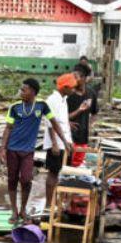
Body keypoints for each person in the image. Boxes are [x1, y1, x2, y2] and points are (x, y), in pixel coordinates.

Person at [0, 78, 68, 226]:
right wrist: (2, 149)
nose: (21, 92)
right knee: (12, 179)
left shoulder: (42, 106)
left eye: (24, 90)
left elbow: (54, 123)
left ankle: (23, 209)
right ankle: (14, 210)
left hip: (28, 151)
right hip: (12, 149)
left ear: (32, 91)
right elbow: (8, 128)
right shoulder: (15, 107)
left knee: (26, 179)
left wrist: (65, 141)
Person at [42, 74, 77, 210]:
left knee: (62, 173)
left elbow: (63, 122)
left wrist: (69, 139)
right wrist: (54, 143)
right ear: (65, 87)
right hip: (56, 142)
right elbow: (50, 123)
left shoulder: (64, 99)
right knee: (53, 172)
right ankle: (48, 204)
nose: (74, 90)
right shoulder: (52, 100)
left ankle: (58, 203)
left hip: (65, 141)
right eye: (72, 87)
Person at [66, 63, 99, 159]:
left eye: (76, 77)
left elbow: (95, 113)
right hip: (68, 136)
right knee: (67, 164)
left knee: (78, 165)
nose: (73, 80)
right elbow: (58, 116)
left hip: (83, 137)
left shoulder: (91, 93)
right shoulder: (68, 94)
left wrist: (90, 125)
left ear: (84, 78)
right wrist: (66, 122)